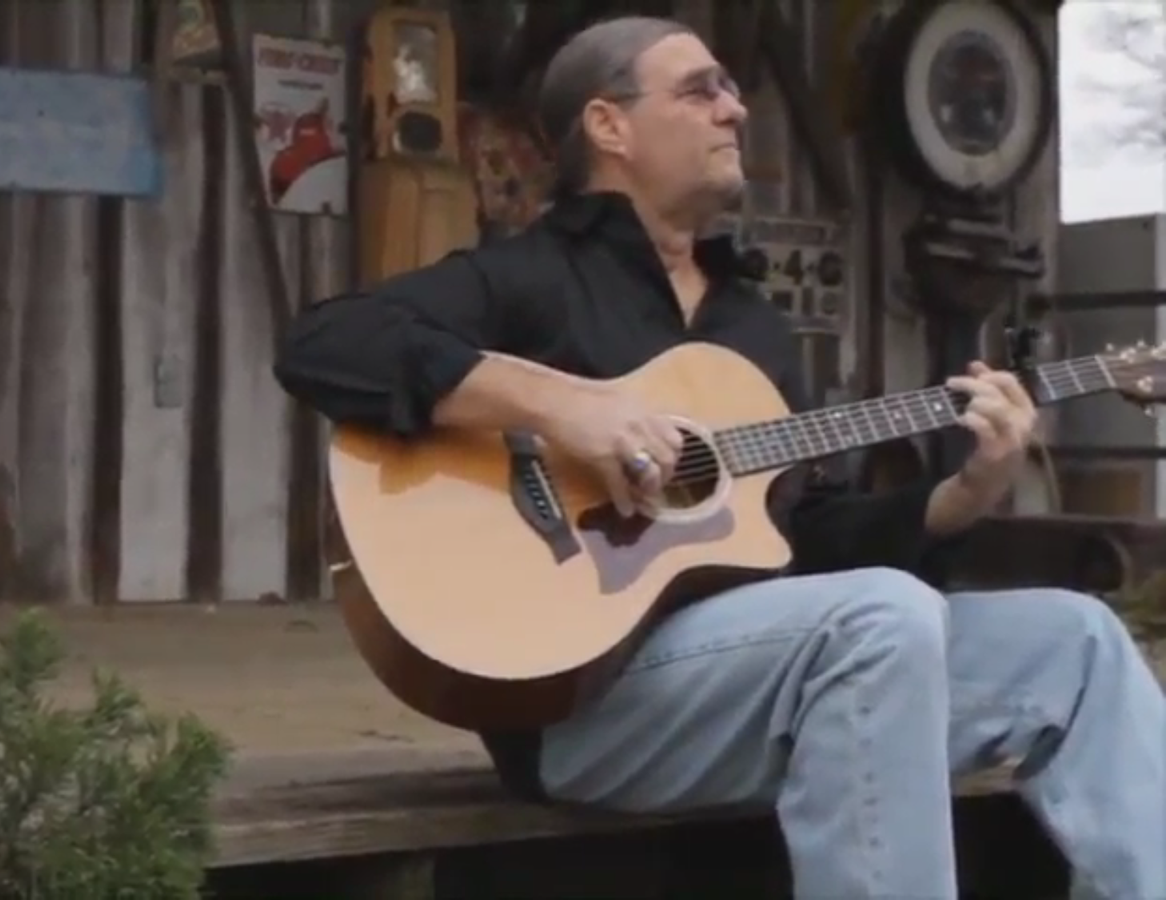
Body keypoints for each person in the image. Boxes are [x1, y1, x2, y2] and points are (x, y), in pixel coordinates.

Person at [271, 14, 1166, 900]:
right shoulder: (530, 277)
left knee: (1077, 641)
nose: (735, 110)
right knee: (881, 616)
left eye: (732, 90)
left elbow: (803, 539)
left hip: (761, 676)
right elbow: (323, 343)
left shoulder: (751, 327)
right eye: (700, 91)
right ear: (609, 124)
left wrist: (965, 494)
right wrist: (563, 406)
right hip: (583, 701)